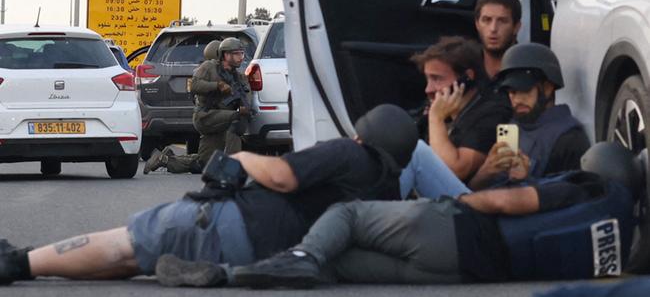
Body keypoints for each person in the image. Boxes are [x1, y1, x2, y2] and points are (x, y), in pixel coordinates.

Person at [0, 104, 418, 286]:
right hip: (265, 253)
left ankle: (17, 262)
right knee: (136, 258)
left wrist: (240, 160)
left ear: (363, 134)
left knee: (126, 241)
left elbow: (282, 175)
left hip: (236, 221)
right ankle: (36, 263)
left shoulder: (349, 153)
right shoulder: (390, 187)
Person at [212, 142, 643, 288]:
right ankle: (233, 275)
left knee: (348, 216)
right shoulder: (625, 251)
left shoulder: (593, 190)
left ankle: (298, 258)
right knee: (341, 266)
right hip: (474, 273)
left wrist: (451, 204)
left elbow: (504, 203)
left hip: (457, 228)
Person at [398, 36, 511, 194]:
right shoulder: (438, 105)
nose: (428, 89)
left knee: (417, 152)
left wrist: (436, 119)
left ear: (467, 77)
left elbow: (455, 169)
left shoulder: (492, 112)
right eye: (428, 79)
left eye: (437, 78)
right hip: (432, 200)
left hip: (468, 203)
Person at [470, 43, 591, 189]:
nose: (517, 100)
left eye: (525, 90)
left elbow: (572, 200)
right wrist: (486, 171)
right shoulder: (512, 128)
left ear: (547, 87)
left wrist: (526, 182)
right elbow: (471, 191)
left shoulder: (568, 139)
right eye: (512, 92)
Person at [144, 37, 252, 175]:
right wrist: (217, 86)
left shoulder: (239, 77)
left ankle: (164, 159)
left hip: (221, 121)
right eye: (237, 53)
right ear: (225, 54)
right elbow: (194, 86)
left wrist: (245, 106)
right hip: (205, 116)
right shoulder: (208, 67)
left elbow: (247, 96)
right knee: (235, 119)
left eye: (242, 53)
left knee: (203, 164)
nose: (240, 57)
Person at [474, 0, 522, 80]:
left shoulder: (529, 72)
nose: (493, 28)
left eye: (502, 21)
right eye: (487, 20)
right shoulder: (464, 69)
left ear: (516, 27)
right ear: (477, 24)